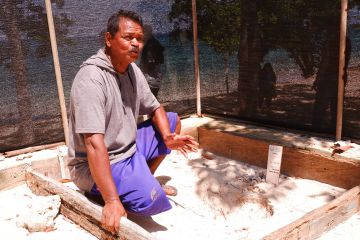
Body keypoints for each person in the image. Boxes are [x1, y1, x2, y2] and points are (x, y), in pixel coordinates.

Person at [67, 9, 198, 234]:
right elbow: (93, 144)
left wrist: (168, 137)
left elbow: (155, 107)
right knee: (151, 200)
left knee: (171, 121)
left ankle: (141, 178)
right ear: (109, 39)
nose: (136, 43)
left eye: (139, 38)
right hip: (98, 162)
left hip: (129, 148)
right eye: (128, 37)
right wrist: (111, 201)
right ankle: (108, 192)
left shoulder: (131, 70)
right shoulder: (90, 79)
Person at [140, 25, 165, 97]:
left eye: (143, 33)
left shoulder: (150, 45)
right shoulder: (154, 43)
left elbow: (150, 62)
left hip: (151, 80)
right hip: (155, 78)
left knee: (150, 100)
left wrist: (140, 71)